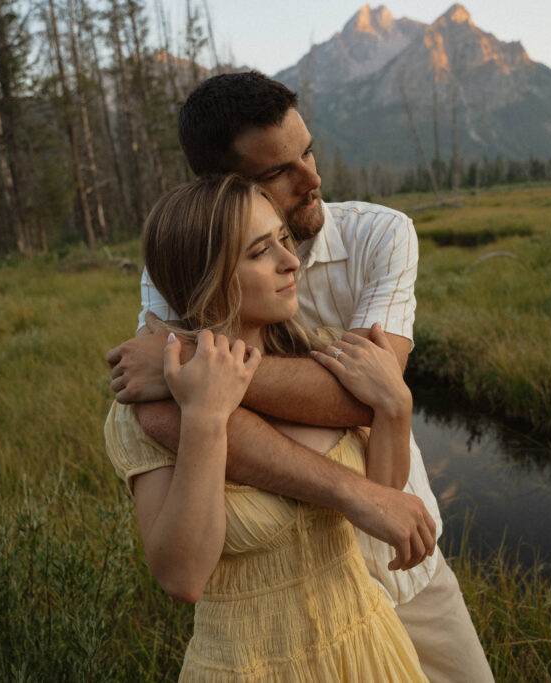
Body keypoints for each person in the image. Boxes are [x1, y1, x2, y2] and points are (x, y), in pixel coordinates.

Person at [107, 72, 494, 683]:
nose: (312, 178)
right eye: (278, 171)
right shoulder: (180, 260)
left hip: (399, 560)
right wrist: (348, 488)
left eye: (307, 150)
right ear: (223, 188)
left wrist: (194, 367)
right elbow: (156, 415)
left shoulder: (380, 234)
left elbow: (360, 401)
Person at [104, 173, 430, 680]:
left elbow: (380, 500)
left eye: (284, 239)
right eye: (261, 251)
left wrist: (395, 406)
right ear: (206, 276)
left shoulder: (324, 355)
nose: (291, 261)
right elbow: (183, 577)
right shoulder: (145, 409)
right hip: (247, 667)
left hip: (367, 648)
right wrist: (206, 419)